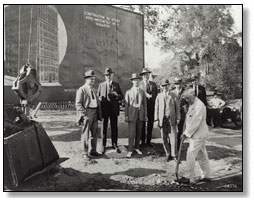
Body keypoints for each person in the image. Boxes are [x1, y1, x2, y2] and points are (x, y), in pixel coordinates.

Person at [180, 88, 211, 184]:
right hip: (197, 135)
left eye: (188, 98)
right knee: (202, 155)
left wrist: (186, 133)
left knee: (190, 153)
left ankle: (187, 177)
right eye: (186, 98)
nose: (187, 100)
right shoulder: (193, 104)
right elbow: (189, 119)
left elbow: (195, 122)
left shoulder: (199, 106)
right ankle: (206, 175)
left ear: (193, 96)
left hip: (198, 134)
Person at [76, 70, 102, 162]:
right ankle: (84, 153)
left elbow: (95, 101)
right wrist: (84, 113)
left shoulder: (94, 90)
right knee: (85, 134)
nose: (92, 81)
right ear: (86, 79)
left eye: (94, 79)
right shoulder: (82, 90)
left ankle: (93, 151)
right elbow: (78, 104)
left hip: (95, 113)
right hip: (88, 114)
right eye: (91, 79)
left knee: (94, 133)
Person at [97, 68, 123, 154]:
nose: (108, 76)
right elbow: (98, 96)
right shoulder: (101, 85)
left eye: (110, 75)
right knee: (103, 128)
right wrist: (99, 98)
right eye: (106, 75)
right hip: (105, 110)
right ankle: (103, 146)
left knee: (114, 127)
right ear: (105, 76)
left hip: (113, 110)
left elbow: (121, 96)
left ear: (112, 75)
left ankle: (114, 144)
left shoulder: (116, 85)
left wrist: (117, 95)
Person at [154, 79, 180, 162]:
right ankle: (167, 154)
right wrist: (156, 119)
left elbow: (177, 108)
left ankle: (174, 155)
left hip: (171, 119)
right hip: (162, 120)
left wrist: (178, 118)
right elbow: (156, 108)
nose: (165, 87)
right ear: (161, 87)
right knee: (164, 138)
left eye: (166, 85)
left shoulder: (173, 95)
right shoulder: (159, 96)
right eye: (163, 86)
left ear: (169, 86)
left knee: (173, 137)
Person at [125, 73, 148, 158]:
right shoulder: (128, 92)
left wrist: (145, 115)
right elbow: (126, 105)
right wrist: (126, 116)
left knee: (139, 133)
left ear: (139, 81)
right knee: (131, 134)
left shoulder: (142, 92)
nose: (136, 82)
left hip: (140, 115)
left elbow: (145, 104)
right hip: (131, 115)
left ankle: (137, 147)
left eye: (138, 80)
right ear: (132, 81)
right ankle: (130, 150)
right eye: (135, 80)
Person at [139, 68, 158, 147]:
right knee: (142, 124)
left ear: (149, 75)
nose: (146, 76)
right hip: (143, 107)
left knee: (150, 124)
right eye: (144, 75)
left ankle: (148, 141)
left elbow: (156, 96)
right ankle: (142, 141)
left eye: (147, 74)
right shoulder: (139, 84)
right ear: (142, 76)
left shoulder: (153, 84)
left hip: (151, 107)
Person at [171, 77, 188, 152]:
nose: (178, 85)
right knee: (173, 131)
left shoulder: (185, 92)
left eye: (179, 83)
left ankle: (179, 147)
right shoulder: (172, 92)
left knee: (181, 131)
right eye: (176, 84)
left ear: (181, 84)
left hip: (182, 114)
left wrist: (186, 106)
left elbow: (190, 102)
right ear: (174, 84)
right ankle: (172, 147)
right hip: (174, 114)